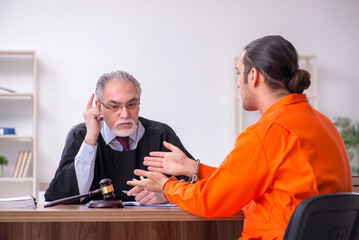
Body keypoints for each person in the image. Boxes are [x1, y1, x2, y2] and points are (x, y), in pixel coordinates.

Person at [127, 35, 353, 239]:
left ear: (253, 76)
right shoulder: (324, 124)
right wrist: (193, 169)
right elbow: (248, 182)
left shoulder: (267, 132)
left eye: (239, 73)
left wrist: (166, 185)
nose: (237, 83)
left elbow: (211, 201)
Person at [45, 70, 194, 205]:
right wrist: (91, 139)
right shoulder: (82, 135)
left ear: (139, 104)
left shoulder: (161, 135)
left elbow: (196, 184)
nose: (125, 114)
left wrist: (168, 194)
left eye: (131, 104)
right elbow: (58, 197)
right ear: (99, 107)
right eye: (115, 106)